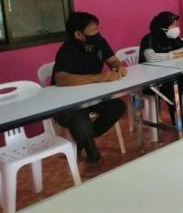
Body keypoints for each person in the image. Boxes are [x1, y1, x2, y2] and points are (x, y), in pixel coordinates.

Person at [52, 12, 127, 164]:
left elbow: (112, 60)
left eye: (97, 29)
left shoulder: (99, 42)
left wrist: (118, 66)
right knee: (81, 122)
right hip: (67, 101)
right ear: (79, 34)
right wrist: (99, 77)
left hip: (92, 96)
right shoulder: (67, 50)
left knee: (118, 107)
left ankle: (83, 139)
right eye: (93, 30)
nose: (97, 33)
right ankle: (91, 151)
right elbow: (61, 78)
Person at [138, 11, 183, 130]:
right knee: (173, 89)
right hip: (155, 81)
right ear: (163, 26)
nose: (176, 28)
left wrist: (177, 53)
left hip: (173, 76)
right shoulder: (149, 39)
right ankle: (177, 122)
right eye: (173, 25)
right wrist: (175, 55)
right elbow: (150, 57)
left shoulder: (173, 38)